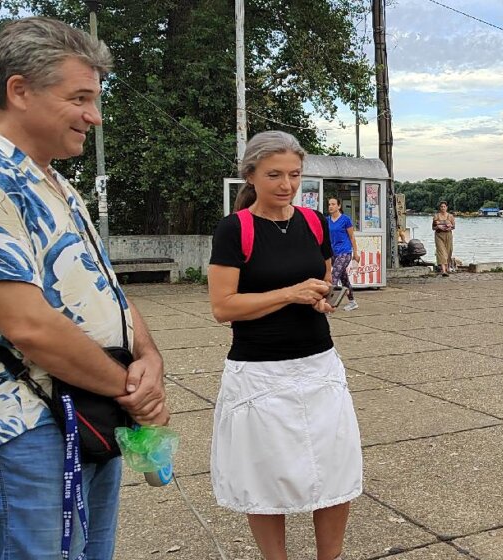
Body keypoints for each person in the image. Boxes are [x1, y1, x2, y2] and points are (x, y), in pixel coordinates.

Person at [0, 17, 168, 559]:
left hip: (81, 407)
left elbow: (102, 288)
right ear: (19, 90)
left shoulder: (49, 180)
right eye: (80, 98)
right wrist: (130, 389)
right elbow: (27, 325)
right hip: (23, 420)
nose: (94, 116)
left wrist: (150, 358)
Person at [208, 131, 362, 560]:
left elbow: (325, 278)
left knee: (334, 471)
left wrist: (321, 299)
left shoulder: (314, 223)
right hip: (259, 372)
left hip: (318, 364)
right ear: (251, 175)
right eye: (274, 174)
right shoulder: (234, 229)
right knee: (265, 479)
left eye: (294, 174)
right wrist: (290, 294)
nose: (286, 184)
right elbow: (223, 306)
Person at [326, 196, 360, 311]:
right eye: (329, 204)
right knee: (344, 279)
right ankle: (352, 302)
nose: (330, 206)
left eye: (333, 204)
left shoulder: (345, 219)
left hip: (345, 252)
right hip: (333, 253)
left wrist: (356, 252)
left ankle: (329, 305)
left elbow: (351, 237)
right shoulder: (327, 220)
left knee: (334, 276)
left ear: (339, 206)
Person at [433, 200, 456, 276]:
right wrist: (438, 226)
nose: (443, 208)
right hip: (439, 235)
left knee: (448, 251)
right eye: (441, 206)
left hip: (448, 235)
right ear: (440, 208)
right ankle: (443, 271)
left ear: (447, 207)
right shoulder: (436, 216)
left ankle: (446, 269)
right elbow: (433, 227)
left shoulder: (450, 216)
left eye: (444, 206)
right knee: (442, 252)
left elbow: (453, 226)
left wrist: (450, 227)